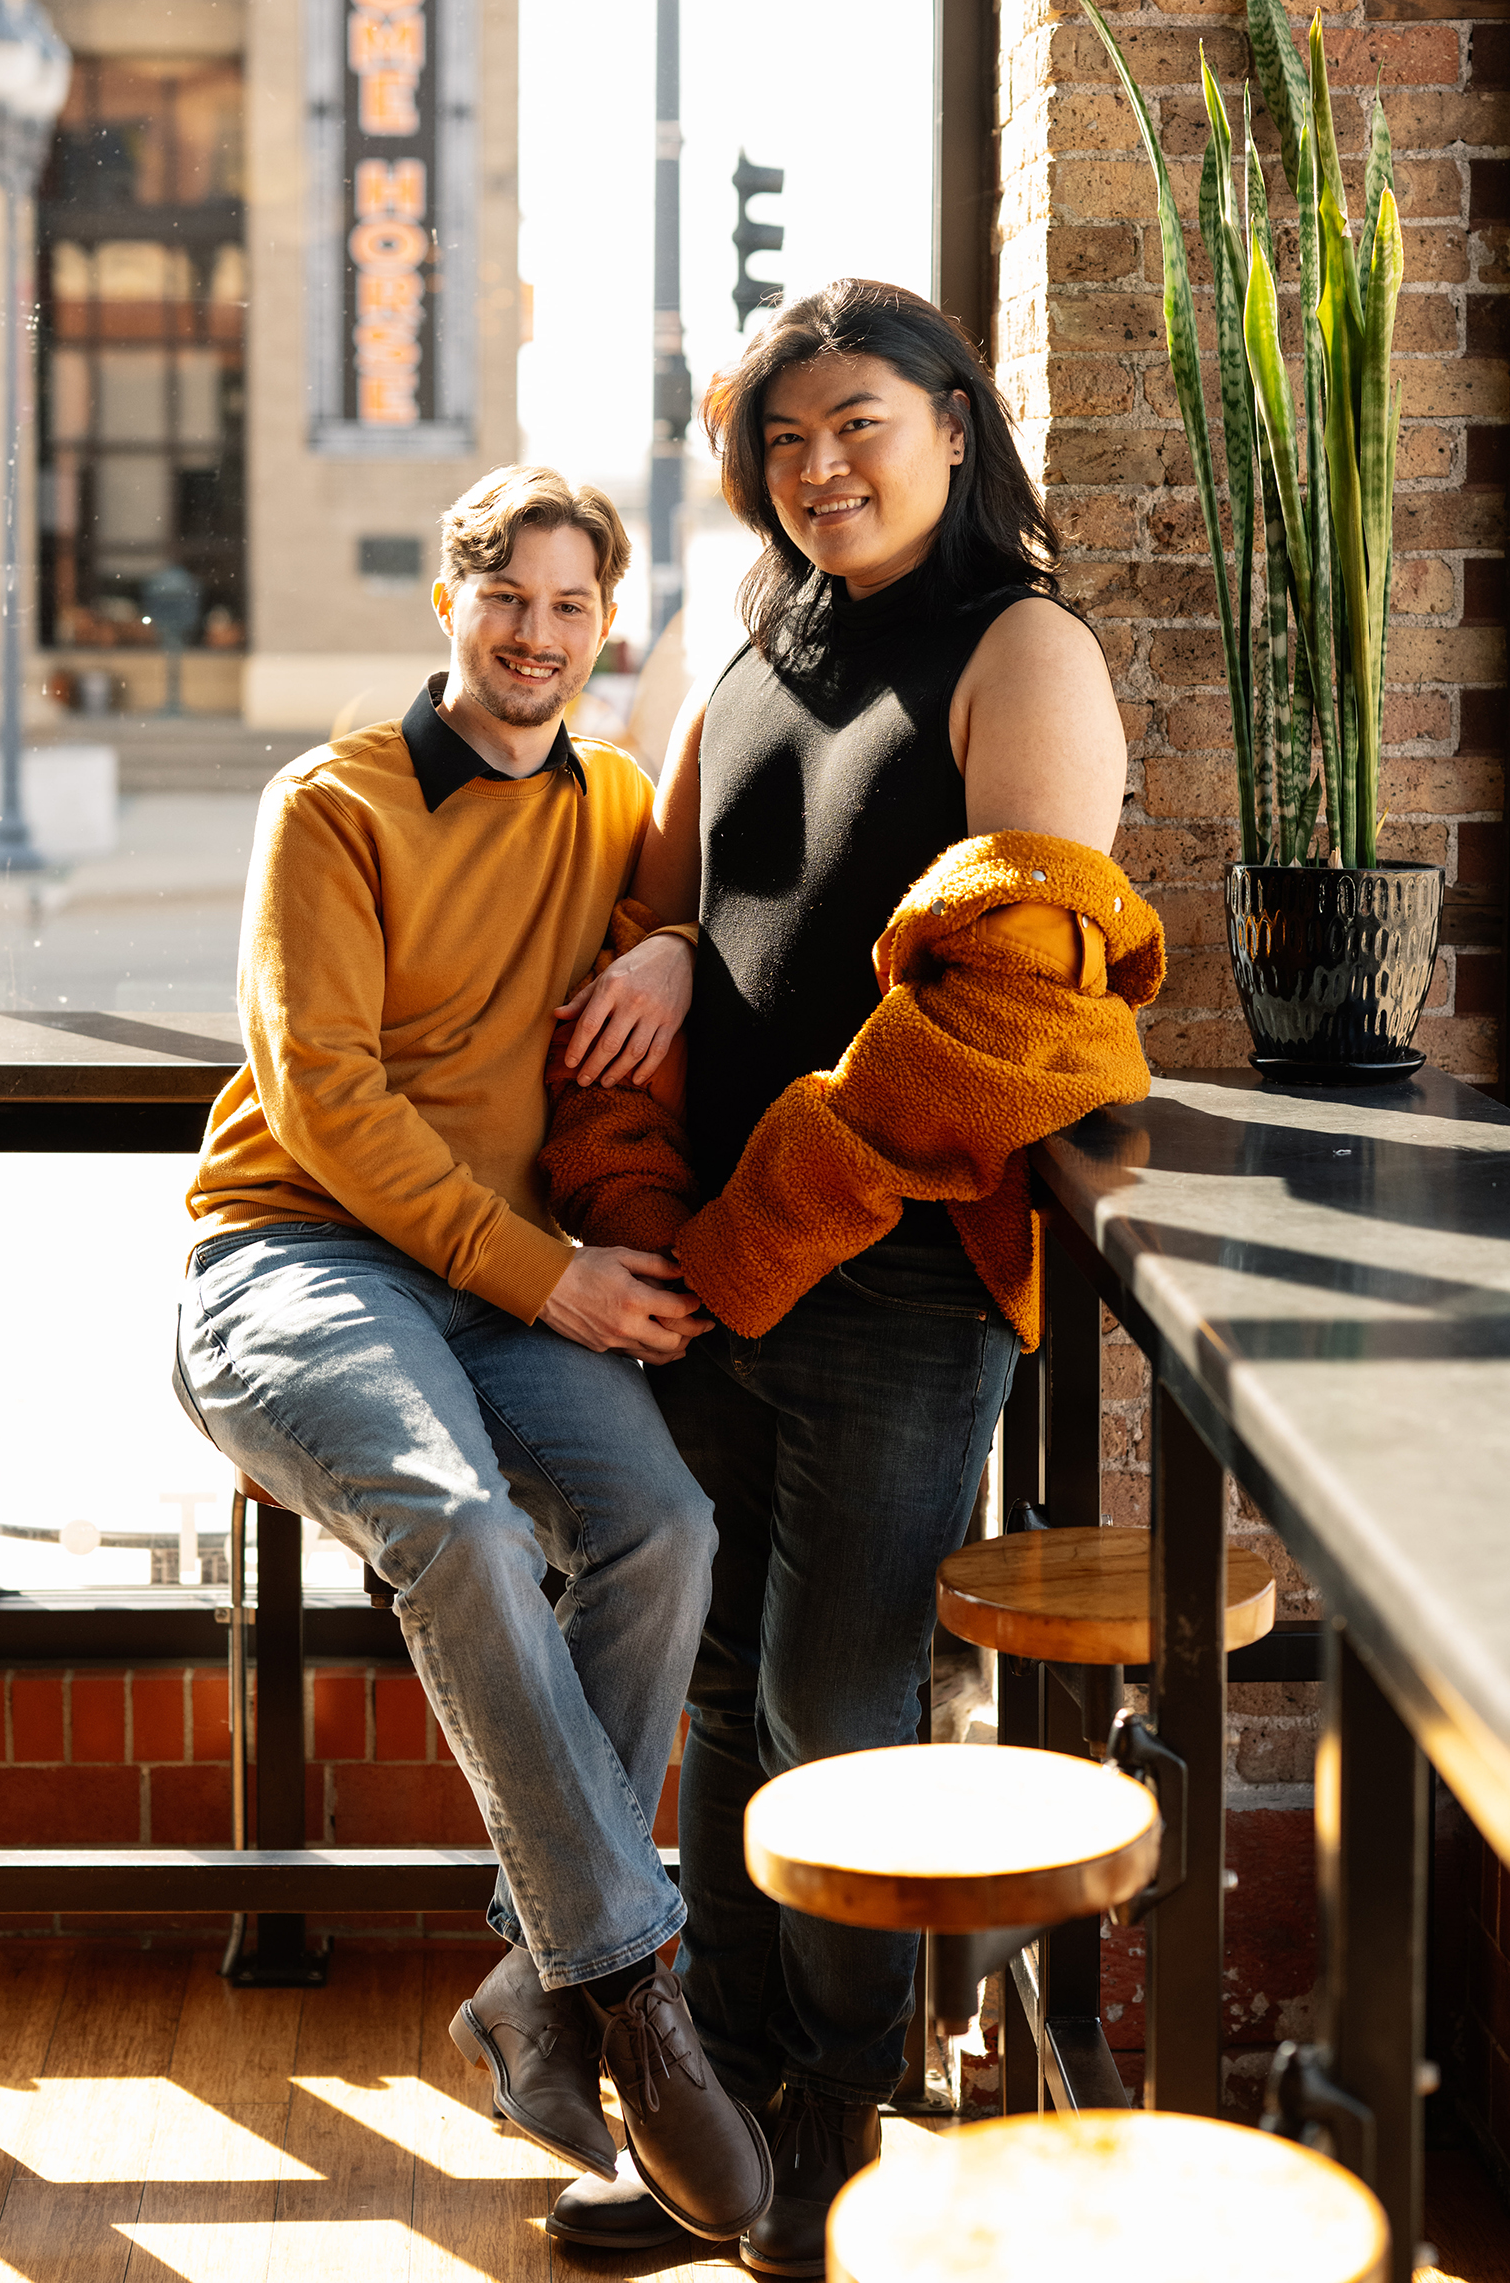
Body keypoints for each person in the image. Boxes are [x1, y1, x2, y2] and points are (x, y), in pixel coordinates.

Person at [543, 281, 1159, 2274]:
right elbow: (679, 897)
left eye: (863, 423)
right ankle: (709, 2110)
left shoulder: (1023, 642)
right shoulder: (747, 654)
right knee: (722, 1679)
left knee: (832, 1690)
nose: (824, 466)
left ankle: (839, 2120)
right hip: (708, 1256)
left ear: (960, 427)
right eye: (789, 440)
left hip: (891, 1272)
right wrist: (649, 951)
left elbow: (1011, 1006)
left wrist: (745, 1231)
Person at [173, 464, 771, 2246]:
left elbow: (671, 909)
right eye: (508, 599)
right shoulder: (334, 804)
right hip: (295, 1256)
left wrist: (663, 944)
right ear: (451, 602)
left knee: (666, 1531)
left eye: (572, 607)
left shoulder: (603, 796)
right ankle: (629, 1992)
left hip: (502, 1287)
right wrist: (555, 1276)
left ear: (604, 624)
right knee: (459, 1525)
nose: (537, 636)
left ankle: (531, 1992)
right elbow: (328, 1103)